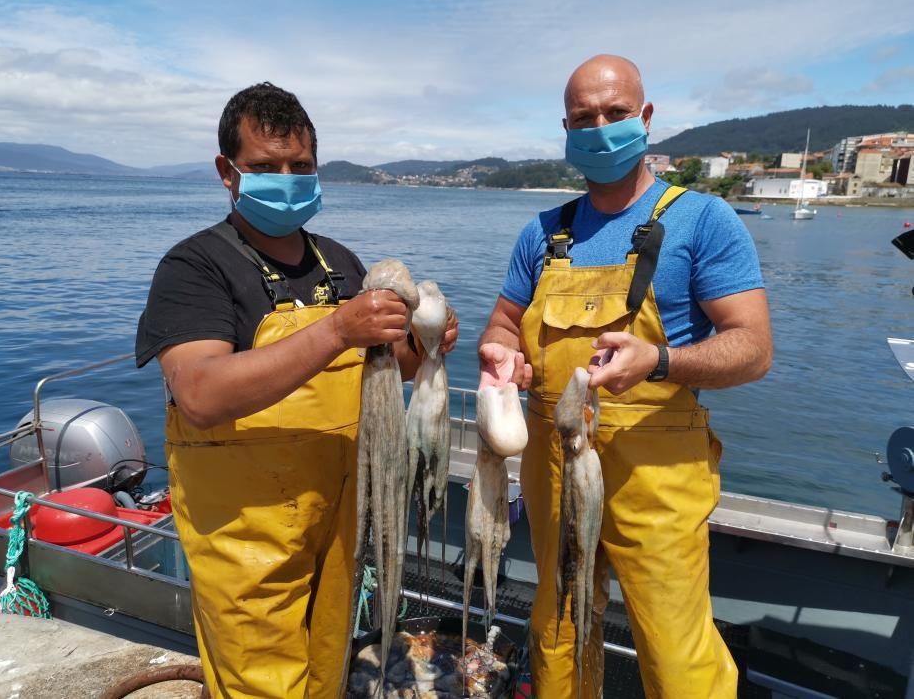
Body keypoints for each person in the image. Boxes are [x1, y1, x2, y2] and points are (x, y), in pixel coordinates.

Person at [135, 82, 457, 699]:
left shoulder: (340, 263)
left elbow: (385, 374)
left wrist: (426, 343)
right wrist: (339, 327)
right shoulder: (196, 267)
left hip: (339, 525)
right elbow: (200, 393)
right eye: (264, 167)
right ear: (227, 173)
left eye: (299, 166)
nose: (286, 179)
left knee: (327, 675)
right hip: (245, 539)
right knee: (262, 686)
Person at [478, 55, 772, 698]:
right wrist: (500, 354)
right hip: (556, 474)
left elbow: (752, 348)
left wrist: (660, 361)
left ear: (645, 118)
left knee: (675, 650)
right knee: (558, 632)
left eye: (615, 114)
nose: (601, 128)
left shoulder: (702, 219)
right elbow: (501, 323)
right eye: (585, 118)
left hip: (658, 481)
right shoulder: (544, 231)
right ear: (565, 127)